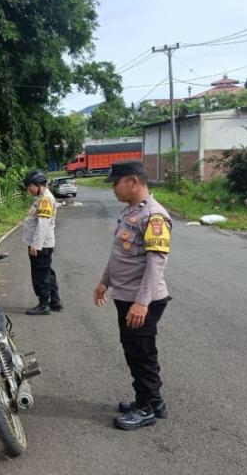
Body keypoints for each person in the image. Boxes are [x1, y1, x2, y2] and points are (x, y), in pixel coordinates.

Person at [93, 160, 173, 430]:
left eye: (116, 183)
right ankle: (152, 401)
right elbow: (119, 253)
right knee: (134, 351)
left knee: (142, 354)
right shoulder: (130, 212)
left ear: (134, 181)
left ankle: (147, 407)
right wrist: (105, 281)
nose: (113, 188)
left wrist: (142, 303)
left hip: (142, 300)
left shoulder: (154, 216)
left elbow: (156, 263)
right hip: (127, 296)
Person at [22, 169, 63, 315]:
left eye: (30, 186)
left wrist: (35, 245)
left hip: (41, 245)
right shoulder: (42, 197)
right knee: (47, 273)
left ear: (38, 185)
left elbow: (43, 225)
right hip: (43, 245)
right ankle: (55, 302)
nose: (29, 190)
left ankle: (44, 305)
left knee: (41, 275)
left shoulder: (45, 199)